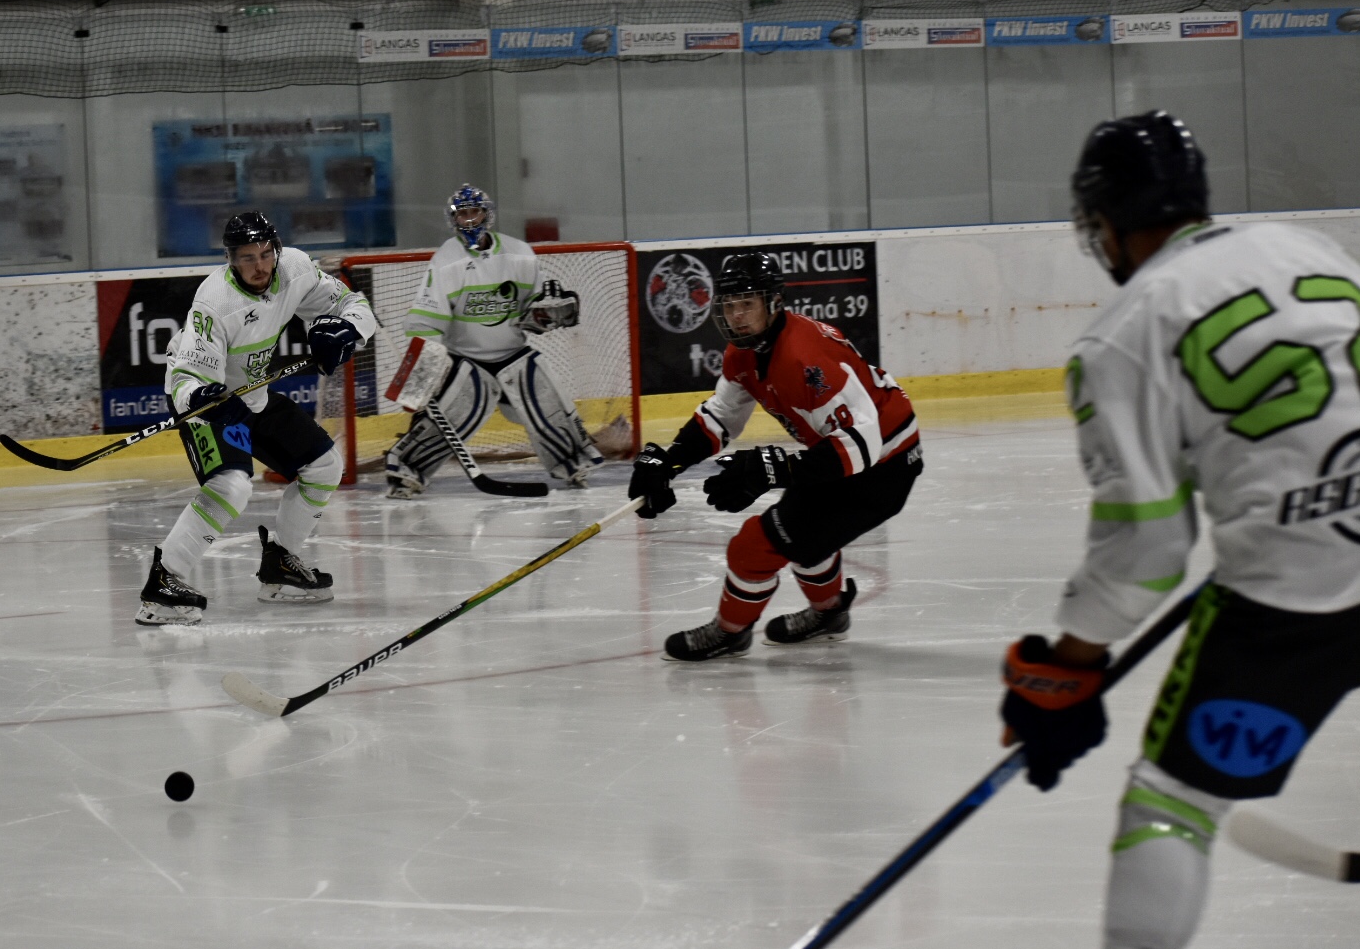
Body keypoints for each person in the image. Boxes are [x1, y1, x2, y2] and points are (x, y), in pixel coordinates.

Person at [995, 111, 1360, 949]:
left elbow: (1148, 547)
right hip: (1317, 548)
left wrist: (1065, 673)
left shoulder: (1121, 333)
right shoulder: (1309, 248)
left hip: (1300, 594)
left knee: (1173, 802)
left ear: (1105, 222)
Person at [627, 251, 922, 661]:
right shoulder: (743, 353)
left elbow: (862, 443)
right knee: (802, 534)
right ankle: (829, 614)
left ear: (774, 302)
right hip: (852, 456)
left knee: (754, 547)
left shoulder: (806, 356)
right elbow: (721, 416)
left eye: (747, 303)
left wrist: (775, 469)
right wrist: (670, 461)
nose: (737, 316)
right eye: (730, 305)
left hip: (883, 466)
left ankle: (729, 632)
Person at [136, 211, 378, 625]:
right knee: (231, 486)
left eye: (265, 254)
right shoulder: (215, 302)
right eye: (247, 257)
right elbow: (187, 377)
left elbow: (351, 303)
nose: (259, 266)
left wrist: (346, 329)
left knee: (324, 465)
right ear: (231, 259)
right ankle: (163, 584)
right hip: (207, 400)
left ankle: (281, 564)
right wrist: (203, 398)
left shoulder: (296, 268)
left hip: (251, 393)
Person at [383, 184, 601, 498]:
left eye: (475, 212)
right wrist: (426, 369)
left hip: (513, 353)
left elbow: (534, 307)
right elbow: (426, 320)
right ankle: (406, 470)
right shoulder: (446, 261)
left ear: (488, 214)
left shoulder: (519, 254)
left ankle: (573, 462)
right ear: (453, 219)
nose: (470, 220)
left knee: (546, 400)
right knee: (454, 415)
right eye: (463, 214)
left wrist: (549, 313)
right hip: (466, 358)